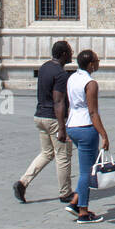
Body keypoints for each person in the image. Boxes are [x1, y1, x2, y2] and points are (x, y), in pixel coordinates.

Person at [13, 40, 75, 205]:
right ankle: (65, 193)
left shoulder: (44, 67)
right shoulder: (61, 74)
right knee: (63, 156)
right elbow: (59, 100)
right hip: (53, 118)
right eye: (69, 52)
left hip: (39, 115)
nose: (72, 54)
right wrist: (62, 127)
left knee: (47, 153)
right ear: (63, 54)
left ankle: (23, 182)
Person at [65, 49, 112, 223]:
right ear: (91, 64)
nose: (99, 63)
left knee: (89, 167)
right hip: (86, 127)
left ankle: (75, 202)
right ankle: (83, 212)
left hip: (72, 125)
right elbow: (92, 112)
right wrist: (104, 135)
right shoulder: (91, 83)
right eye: (97, 60)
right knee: (86, 172)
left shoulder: (72, 78)